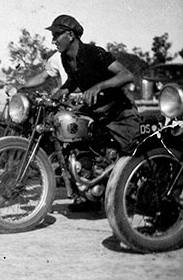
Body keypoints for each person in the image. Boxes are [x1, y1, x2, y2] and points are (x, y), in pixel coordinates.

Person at [46, 14, 140, 210]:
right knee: (76, 145)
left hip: (119, 114)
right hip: (96, 114)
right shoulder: (65, 58)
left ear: (70, 35)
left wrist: (99, 86)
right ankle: (89, 196)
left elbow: (126, 75)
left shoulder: (93, 53)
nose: (53, 40)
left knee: (130, 161)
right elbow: (71, 83)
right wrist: (52, 98)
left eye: (56, 35)